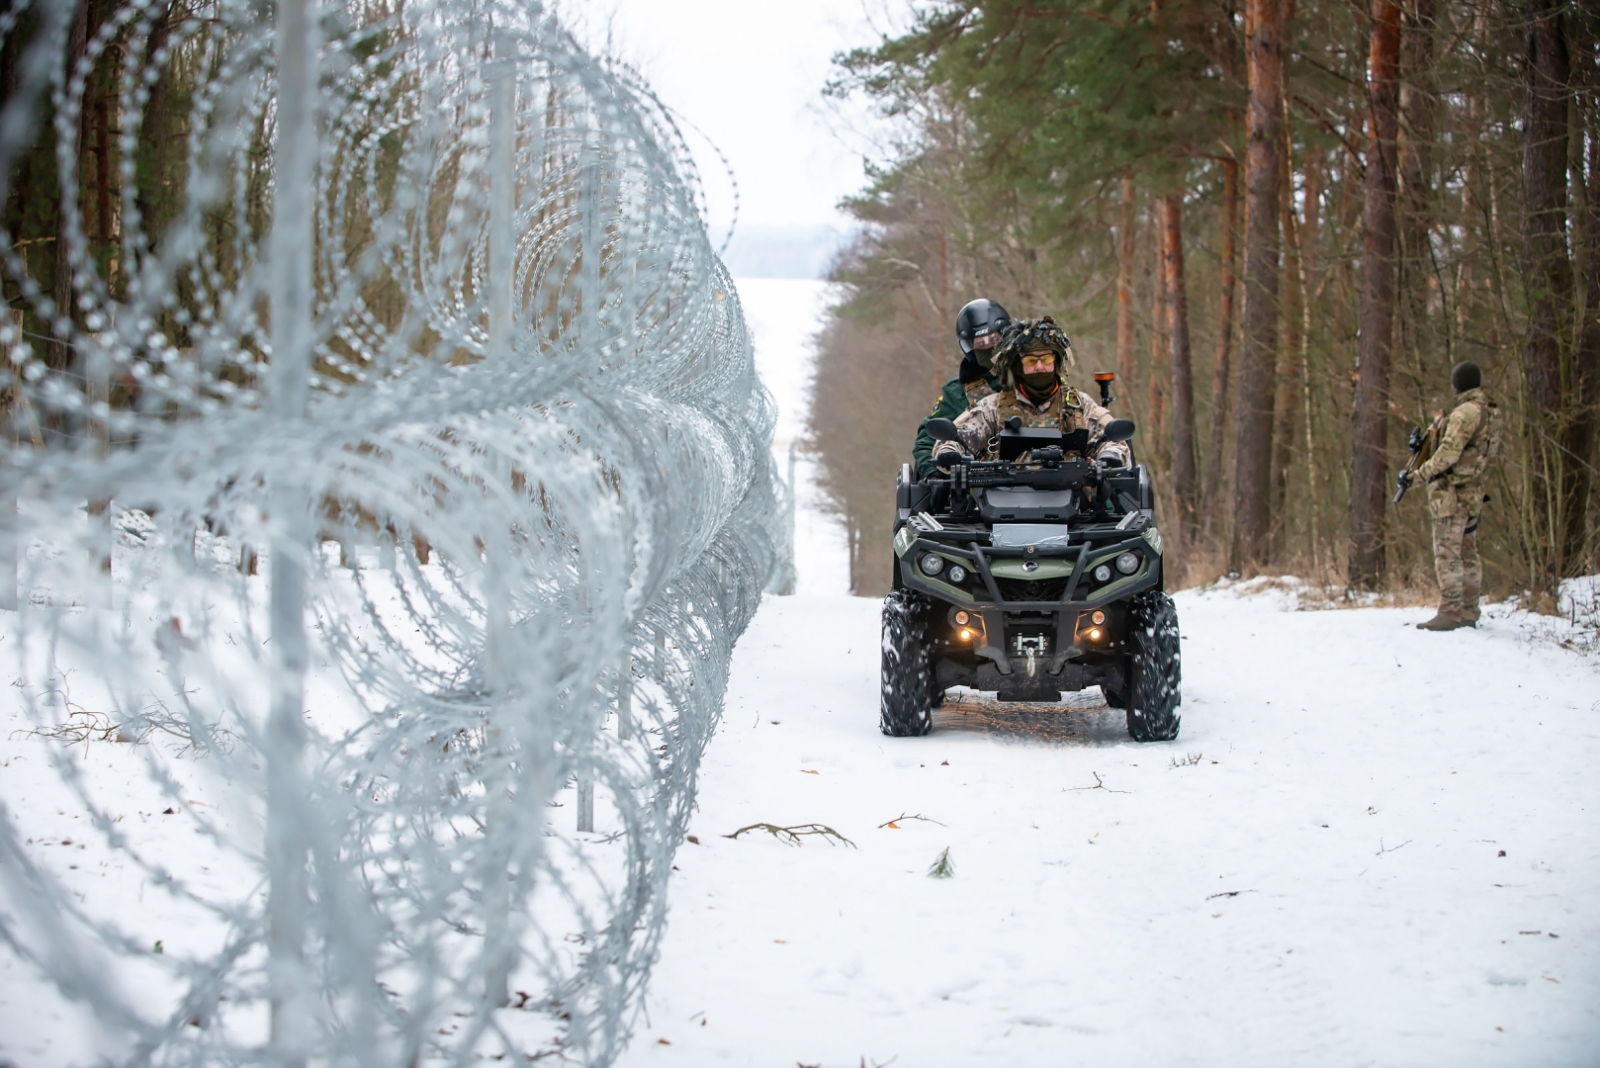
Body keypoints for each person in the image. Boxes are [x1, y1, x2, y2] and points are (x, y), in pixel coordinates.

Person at [931, 316, 1129, 468]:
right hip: (998, 507)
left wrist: (1109, 455)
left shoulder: (1078, 405)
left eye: (1047, 360)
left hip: (1074, 510)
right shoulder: (994, 407)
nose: (1040, 367)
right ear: (1018, 366)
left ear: (1057, 362)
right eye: (1031, 361)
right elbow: (955, 440)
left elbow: (1112, 441)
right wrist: (949, 453)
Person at [1405, 361, 1501, 631]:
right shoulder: (1491, 411)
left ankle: (1450, 611)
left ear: (1456, 384)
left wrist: (1417, 476)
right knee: (1469, 553)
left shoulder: (1463, 413)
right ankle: (1469, 611)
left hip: (1452, 493)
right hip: (1473, 491)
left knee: (1447, 553)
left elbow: (1447, 454)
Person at [911, 299, 1010, 478]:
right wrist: (934, 474)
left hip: (1041, 485)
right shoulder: (956, 393)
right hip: (977, 487)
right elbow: (927, 440)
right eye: (981, 343)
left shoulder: (1035, 378)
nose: (989, 347)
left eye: (994, 339)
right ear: (969, 347)